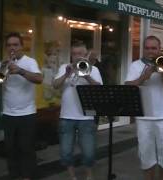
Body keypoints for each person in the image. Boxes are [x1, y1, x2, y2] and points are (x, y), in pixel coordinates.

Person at [0, 32, 43, 180]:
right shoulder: (3, 63)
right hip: (8, 113)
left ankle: (27, 177)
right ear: (6, 47)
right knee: (10, 149)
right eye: (9, 45)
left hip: (27, 114)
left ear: (21, 46)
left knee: (26, 149)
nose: (12, 48)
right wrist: (2, 67)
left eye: (15, 45)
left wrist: (20, 71)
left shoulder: (30, 62)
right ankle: (15, 176)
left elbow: (39, 79)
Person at [124, 35, 163, 180]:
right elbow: (128, 88)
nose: (150, 51)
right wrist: (144, 76)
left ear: (159, 49)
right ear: (143, 49)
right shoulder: (135, 65)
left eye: (154, 48)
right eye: (147, 48)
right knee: (146, 157)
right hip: (143, 117)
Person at [53, 41, 103, 180]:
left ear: (85, 54)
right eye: (74, 54)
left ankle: (89, 175)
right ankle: (72, 177)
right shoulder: (65, 67)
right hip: (66, 116)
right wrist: (66, 75)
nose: (77, 56)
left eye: (80, 53)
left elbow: (99, 89)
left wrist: (86, 74)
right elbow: (55, 85)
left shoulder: (93, 69)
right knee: (66, 152)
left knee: (89, 152)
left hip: (87, 116)